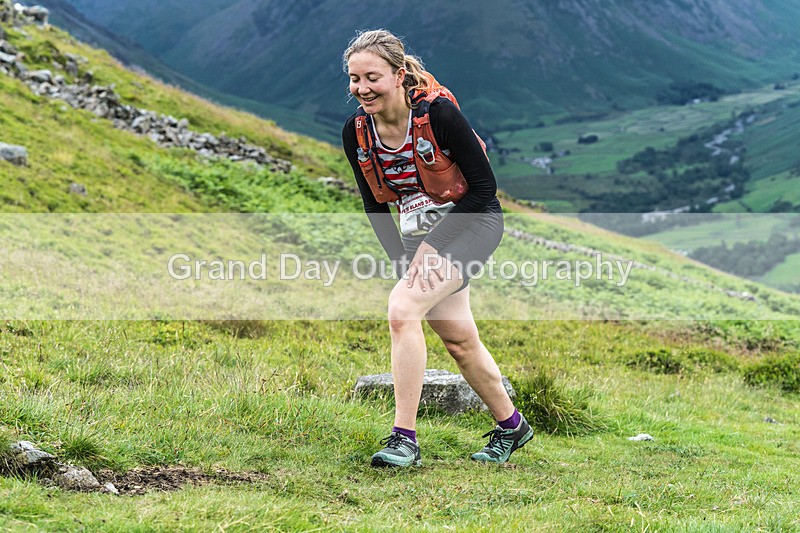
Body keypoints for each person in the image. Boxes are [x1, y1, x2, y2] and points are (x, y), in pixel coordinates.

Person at [342, 29, 532, 467]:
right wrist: (402, 259)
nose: (362, 89)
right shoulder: (356, 132)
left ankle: (404, 439)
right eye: (354, 79)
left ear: (398, 75)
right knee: (459, 339)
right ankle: (512, 425)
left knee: (402, 310)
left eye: (372, 77)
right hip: (419, 236)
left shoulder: (439, 114)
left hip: (473, 224)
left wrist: (432, 246)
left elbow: (484, 189)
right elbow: (374, 205)